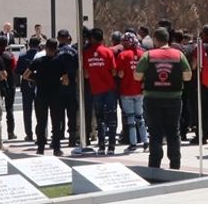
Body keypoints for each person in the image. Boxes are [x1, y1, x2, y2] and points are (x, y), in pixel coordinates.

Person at [136, 27, 191, 170]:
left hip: (152, 99)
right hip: (174, 99)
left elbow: (137, 76)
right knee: (174, 131)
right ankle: (175, 164)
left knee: (155, 132)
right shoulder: (179, 55)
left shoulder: (148, 55)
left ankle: (154, 165)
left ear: (155, 39)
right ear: (168, 39)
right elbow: (188, 76)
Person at [81, 27, 119, 155]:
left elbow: (85, 75)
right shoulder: (108, 52)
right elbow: (114, 71)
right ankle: (112, 146)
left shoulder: (86, 53)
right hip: (110, 89)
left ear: (91, 39)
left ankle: (102, 146)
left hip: (96, 89)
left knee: (100, 118)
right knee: (112, 117)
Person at [115, 33, 147, 151]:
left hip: (126, 91)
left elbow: (120, 74)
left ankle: (133, 143)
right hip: (139, 91)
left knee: (130, 118)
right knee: (140, 117)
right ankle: (145, 142)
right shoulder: (143, 54)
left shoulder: (122, 55)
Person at [56, 29, 81, 147]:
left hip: (59, 86)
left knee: (58, 113)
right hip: (71, 85)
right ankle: (72, 139)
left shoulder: (56, 52)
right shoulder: (74, 51)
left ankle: (57, 137)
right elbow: (78, 68)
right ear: (68, 37)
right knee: (72, 113)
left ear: (59, 38)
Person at [0, 35, 18, 141]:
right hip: (9, 83)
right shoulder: (10, 55)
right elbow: (14, 67)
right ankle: (11, 133)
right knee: (9, 109)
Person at [18, 37, 41, 141]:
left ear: (29, 45)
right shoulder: (40, 56)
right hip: (38, 85)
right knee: (39, 111)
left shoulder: (23, 56)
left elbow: (17, 70)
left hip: (26, 85)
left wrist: (26, 73)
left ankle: (29, 134)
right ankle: (39, 133)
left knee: (27, 112)